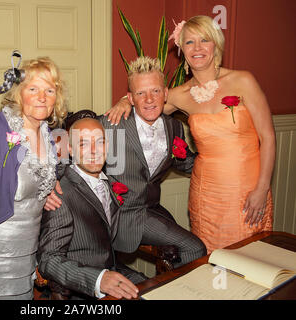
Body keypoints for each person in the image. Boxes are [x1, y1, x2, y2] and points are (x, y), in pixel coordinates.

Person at [106, 15, 275, 253]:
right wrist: (125, 101)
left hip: (247, 188)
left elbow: (267, 137)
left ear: (215, 45)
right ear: (181, 50)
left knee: (250, 257)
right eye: (189, 42)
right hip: (206, 192)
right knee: (208, 257)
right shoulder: (178, 94)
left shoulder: (243, 81)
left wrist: (262, 188)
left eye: (204, 40)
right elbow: (148, 101)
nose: (197, 48)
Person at [46, 56, 206, 268]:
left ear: (166, 93)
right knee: (195, 248)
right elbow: (70, 149)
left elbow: (186, 162)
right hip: (124, 216)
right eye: (141, 93)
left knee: (180, 252)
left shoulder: (174, 128)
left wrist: (219, 162)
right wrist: (48, 185)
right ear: (130, 97)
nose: (149, 99)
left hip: (154, 209)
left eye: (155, 91)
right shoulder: (112, 125)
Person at [0, 56, 67, 300]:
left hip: (25, 257)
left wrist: (44, 191)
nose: (42, 97)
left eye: (49, 90)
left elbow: (30, 177)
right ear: (19, 92)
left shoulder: (48, 135)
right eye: (33, 89)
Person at [38, 117, 146, 300]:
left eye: (100, 142)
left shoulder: (110, 181)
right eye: (83, 144)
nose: (94, 151)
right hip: (82, 288)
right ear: (70, 150)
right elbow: (49, 260)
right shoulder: (60, 194)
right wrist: (98, 280)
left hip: (115, 269)